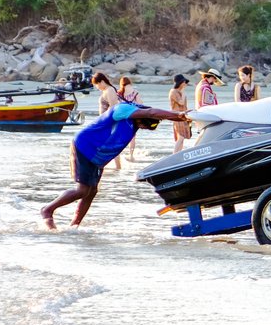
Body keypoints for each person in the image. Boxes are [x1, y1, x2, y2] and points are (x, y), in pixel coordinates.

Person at [40, 103, 188, 230]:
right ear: (140, 117)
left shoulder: (140, 117)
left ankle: (74, 226)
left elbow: (156, 114)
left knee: (92, 191)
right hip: (85, 147)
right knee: (82, 190)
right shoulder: (122, 110)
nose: (141, 127)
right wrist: (180, 114)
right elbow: (151, 112)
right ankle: (47, 210)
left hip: (98, 156)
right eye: (142, 124)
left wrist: (184, 117)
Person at [92, 72, 122, 170]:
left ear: (102, 81)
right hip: (105, 122)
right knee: (108, 145)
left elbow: (113, 107)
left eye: (97, 84)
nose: (97, 87)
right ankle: (115, 166)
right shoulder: (106, 90)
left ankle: (117, 167)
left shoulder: (110, 90)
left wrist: (107, 122)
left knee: (110, 145)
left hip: (109, 123)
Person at [118, 76, 143, 161]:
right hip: (133, 116)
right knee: (132, 137)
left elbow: (116, 105)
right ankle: (131, 155)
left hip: (123, 117)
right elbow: (140, 104)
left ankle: (118, 154)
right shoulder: (135, 92)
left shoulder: (119, 93)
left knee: (121, 136)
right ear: (130, 82)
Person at [170, 74, 192, 153]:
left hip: (183, 116)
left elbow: (184, 106)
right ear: (180, 82)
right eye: (184, 82)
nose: (185, 84)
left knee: (182, 138)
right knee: (181, 137)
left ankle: (178, 154)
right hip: (177, 117)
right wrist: (183, 93)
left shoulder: (180, 92)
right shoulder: (174, 92)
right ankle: (174, 155)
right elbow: (181, 103)